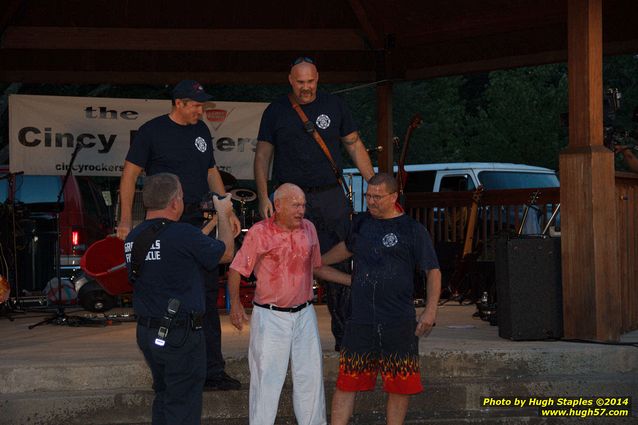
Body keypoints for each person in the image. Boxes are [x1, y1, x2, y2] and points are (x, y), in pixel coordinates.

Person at [117, 80, 242, 390]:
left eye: (202, 104)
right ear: (179, 103)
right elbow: (129, 175)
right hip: (164, 224)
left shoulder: (201, 132)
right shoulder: (152, 131)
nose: (201, 110)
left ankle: (212, 370)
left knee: (207, 293)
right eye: (196, 104)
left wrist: (228, 211)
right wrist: (125, 220)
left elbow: (212, 173)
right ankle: (168, 367)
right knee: (169, 293)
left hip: (199, 221)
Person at [254, 56, 375, 350]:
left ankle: (346, 338)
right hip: (290, 198)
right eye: (300, 82)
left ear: (318, 78)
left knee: (340, 261)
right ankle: (283, 337)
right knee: (288, 262)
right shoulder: (276, 111)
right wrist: (262, 195)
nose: (306, 88)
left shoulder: (335, 106)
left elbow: (354, 144)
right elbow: (262, 157)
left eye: (310, 82)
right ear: (290, 80)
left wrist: (374, 184)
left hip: (329, 195)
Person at [323, 173, 442, 425]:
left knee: (399, 384)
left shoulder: (412, 229)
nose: (371, 202)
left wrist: (431, 310)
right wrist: (318, 262)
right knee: (347, 381)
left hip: (398, 319)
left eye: (377, 197)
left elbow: (433, 270)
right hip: (360, 319)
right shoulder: (361, 224)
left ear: (394, 196)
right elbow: (344, 250)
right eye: (368, 196)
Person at [227, 183, 350, 425]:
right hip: (271, 317)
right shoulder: (260, 232)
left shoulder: (309, 228)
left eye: (303, 205)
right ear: (278, 206)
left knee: (311, 379)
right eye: (295, 205)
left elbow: (317, 268)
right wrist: (235, 305)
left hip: (305, 313)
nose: (301, 210)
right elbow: (236, 269)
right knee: (266, 381)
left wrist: (351, 281)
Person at [124, 173, 235, 425]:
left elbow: (177, 248)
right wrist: (225, 215)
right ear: (175, 202)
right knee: (183, 406)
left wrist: (212, 222)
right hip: (179, 336)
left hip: (149, 333)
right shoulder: (182, 234)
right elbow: (226, 252)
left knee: (165, 398)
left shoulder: (133, 238)